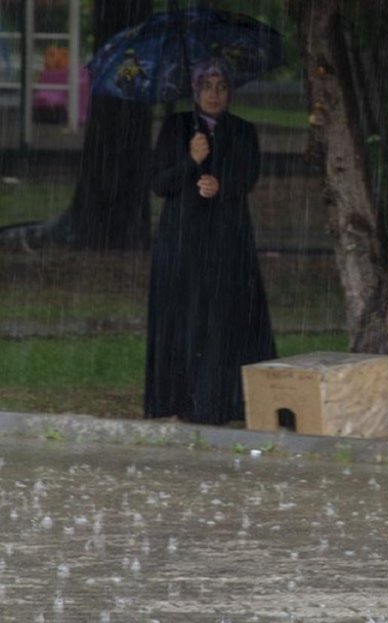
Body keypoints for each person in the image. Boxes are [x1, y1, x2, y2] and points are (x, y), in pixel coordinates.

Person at [144, 58, 276, 425]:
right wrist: (191, 161)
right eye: (206, 87)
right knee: (185, 317)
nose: (214, 94)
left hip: (226, 238)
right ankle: (180, 398)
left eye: (221, 87)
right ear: (195, 91)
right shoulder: (177, 127)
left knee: (222, 316)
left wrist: (221, 185)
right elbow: (159, 184)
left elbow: (248, 176)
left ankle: (221, 400)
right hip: (183, 239)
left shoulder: (242, 131)